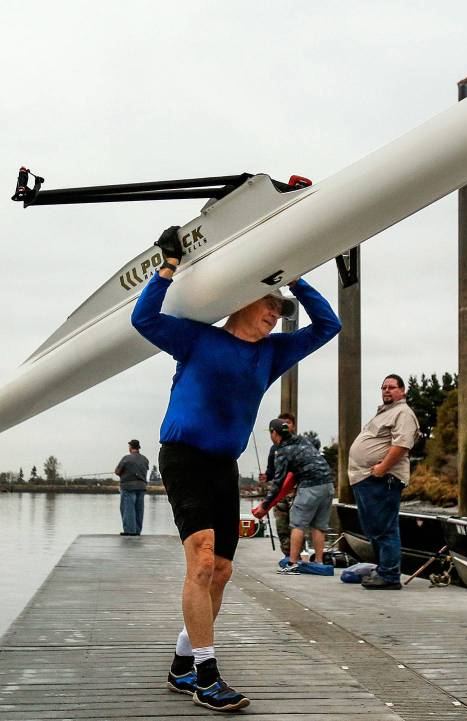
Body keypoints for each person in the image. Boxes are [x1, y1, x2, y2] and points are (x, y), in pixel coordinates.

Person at [131, 225, 341, 712]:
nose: (274, 314)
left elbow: (327, 326)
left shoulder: (271, 354)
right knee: (202, 560)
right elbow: (145, 318)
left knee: (222, 570)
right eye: (268, 304)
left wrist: (296, 281)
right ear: (242, 300)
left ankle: (182, 664)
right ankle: (207, 676)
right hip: (184, 456)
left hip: (223, 464)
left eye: (280, 310)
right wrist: (168, 267)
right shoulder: (197, 339)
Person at [347, 374, 419, 590]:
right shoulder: (385, 413)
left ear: (402, 391)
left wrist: (382, 468)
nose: (387, 390)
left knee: (385, 528)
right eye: (384, 387)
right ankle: (382, 570)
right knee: (374, 527)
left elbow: (402, 444)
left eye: (392, 387)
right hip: (366, 478)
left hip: (382, 479)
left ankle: (389, 574)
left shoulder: (403, 413)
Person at [255, 418, 335, 574]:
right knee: (319, 525)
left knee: (297, 524)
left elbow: (278, 483)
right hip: (328, 484)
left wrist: (264, 506)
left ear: (274, 433)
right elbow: (316, 442)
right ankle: (319, 562)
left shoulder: (283, 451)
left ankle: (292, 564)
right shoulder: (302, 440)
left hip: (310, 486)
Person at [258, 411, 296, 555]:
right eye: (282, 423)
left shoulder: (298, 444)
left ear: (293, 426)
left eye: (288, 423)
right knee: (281, 527)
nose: (285, 425)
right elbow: (271, 470)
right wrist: (266, 476)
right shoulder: (274, 449)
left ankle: (298, 556)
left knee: (297, 525)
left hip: (296, 492)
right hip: (279, 493)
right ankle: (287, 555)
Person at [114, 439, 149, 536]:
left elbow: (117, 471)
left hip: (128, 487)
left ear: (130, 447)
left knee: (128, 509)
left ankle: (130, 531)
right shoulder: (145, 459)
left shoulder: (126, 458)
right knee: (139, 509)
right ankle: (137, 531)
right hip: (141, 487)